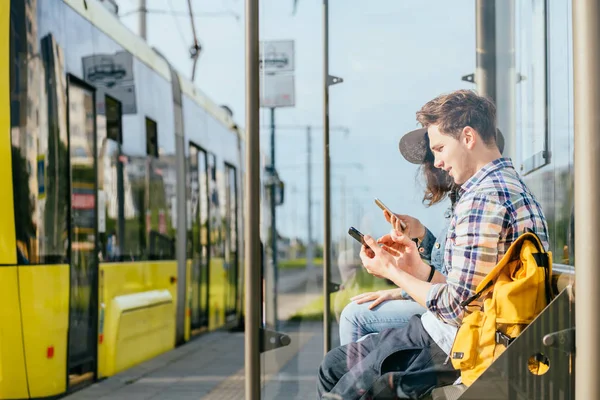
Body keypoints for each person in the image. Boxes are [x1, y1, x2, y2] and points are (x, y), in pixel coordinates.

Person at [317, 89, 549, 399]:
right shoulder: (506, 188)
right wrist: (417, 269)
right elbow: (473, 291)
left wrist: (392, 270)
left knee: (343, 386)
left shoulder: (482, 198)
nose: (437, 162)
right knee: (333, 365)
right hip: (458, 331)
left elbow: (456, 308)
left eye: (440, 148)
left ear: (468, 137)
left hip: (454, 344)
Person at [339, 129, 505, 346]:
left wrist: (398, 280)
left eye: (439, 150)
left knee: (355, 316)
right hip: (454, 306)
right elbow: (452, 271)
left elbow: (457, 294)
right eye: (432, 154)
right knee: (359, 318)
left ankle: (362, 377)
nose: (435, 164)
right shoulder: (468, 198)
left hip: (461, 320)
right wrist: (420, 234)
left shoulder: (478, 202)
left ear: (467, 144)